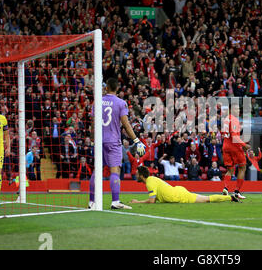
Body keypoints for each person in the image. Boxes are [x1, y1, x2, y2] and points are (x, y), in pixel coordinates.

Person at [88, 77, 146, 210]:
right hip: (113, 141)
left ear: (106, 88)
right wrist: (136, 140)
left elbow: (93, 123)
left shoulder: (97, 102)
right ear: (117, 88)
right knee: (115, 169)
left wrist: (92, 139)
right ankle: (115, 201)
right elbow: (125, 124)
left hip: (99, 140)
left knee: (97, 170)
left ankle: (92, 202)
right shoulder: (121, 103)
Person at [130, 166, 240, 203]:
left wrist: (137, 202)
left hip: (179, 195)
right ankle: (230, 198)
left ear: (141, 175)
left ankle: (230, 198)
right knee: (206, 199)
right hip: (177, 192)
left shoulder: (149, 182)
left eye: (137, 174)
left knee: (207, 199)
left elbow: (151, 201)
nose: (135, 175)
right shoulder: (151, 180)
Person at [221, 104, 250, 199]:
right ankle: (237, 192)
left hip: (225, 146)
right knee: (242, 167)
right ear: (231, 109)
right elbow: (234, 136)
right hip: (235, 147)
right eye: (236, 109)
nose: (238, 110)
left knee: (230, 169)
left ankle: (226, 187)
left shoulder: (225, 119)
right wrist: (244, 144)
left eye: (238, 109)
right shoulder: (234, 120)